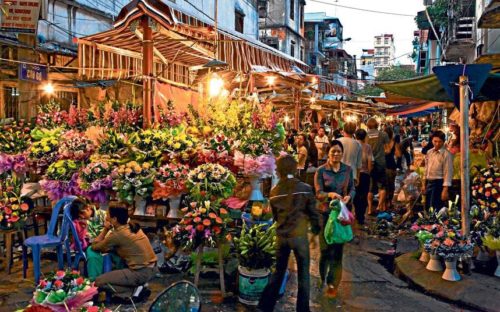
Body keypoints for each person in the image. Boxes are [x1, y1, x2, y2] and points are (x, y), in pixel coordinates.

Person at [258, 155, 320, 312]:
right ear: (294, 168)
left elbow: (276, 217)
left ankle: (265, 306)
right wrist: (315, 231)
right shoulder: (305, 189)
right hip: (299, 237)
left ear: (278, 171)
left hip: (282, 237)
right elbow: (314, 214)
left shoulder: (274, 192)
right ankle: (302, 310)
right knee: (303, 276)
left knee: (278, 272)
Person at [314, 141, 355, 297]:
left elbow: (352, 188)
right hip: (324, 215)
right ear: (328, 153)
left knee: (338, 251)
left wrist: (349, 197)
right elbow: (318, 193)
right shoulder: (321, 171)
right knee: (325, 250)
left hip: (341, 216)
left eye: (338, 151)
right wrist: (330, 195)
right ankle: (322, 278)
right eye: (333, 152)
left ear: (342, 153)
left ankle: (333, 284)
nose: (336, 154)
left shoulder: (348, 170)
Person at [93, 206, 157, 302]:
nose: (106, 218)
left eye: (107, 215)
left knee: (99, 282)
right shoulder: (133, 226)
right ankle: (137, 288)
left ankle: (132, 291)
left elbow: (95, 246)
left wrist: (105, 229)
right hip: (152, 269)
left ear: (114, 219)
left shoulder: (117, 234)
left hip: (140, 272)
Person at [422, 131, 453, 210]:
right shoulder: (429, 152)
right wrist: (423, 184)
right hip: (429, 183)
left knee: (436, 209)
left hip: (439, 184)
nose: (437, 144)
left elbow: (448, 173)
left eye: (440, 142)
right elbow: (426, 169)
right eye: (435, 141)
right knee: (428, 207)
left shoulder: (447, 154)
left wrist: (445, 190)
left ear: (443, 142)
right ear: (432, 140)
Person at [366, 118, 390, 215]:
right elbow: (388, 150)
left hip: (369, 164)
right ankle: (380, 206)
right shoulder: (383, 135)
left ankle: (370, 209)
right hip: (381, 163)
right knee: (382, 187)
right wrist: (381, 153)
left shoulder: (365, 135)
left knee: (370, 188)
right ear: (377, 125)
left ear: (367, 126)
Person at [353, 129, 373, 225]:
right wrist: (369, 172)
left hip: (354, 174)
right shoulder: (367, 147)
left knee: (356, 194)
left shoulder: (353, 145)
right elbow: (370, 161)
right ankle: (361, 216)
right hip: (364, 174)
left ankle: (356, 213)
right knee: (363, 195)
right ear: (365, 137)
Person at [384, 127, 398, 211]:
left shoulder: (382, 142)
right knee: (391, 185)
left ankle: (385, 203)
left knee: (384, 186)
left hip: (384, 165)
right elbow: (398, 154)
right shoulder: (394, 142)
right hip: (392, 165)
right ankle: (390, 202)